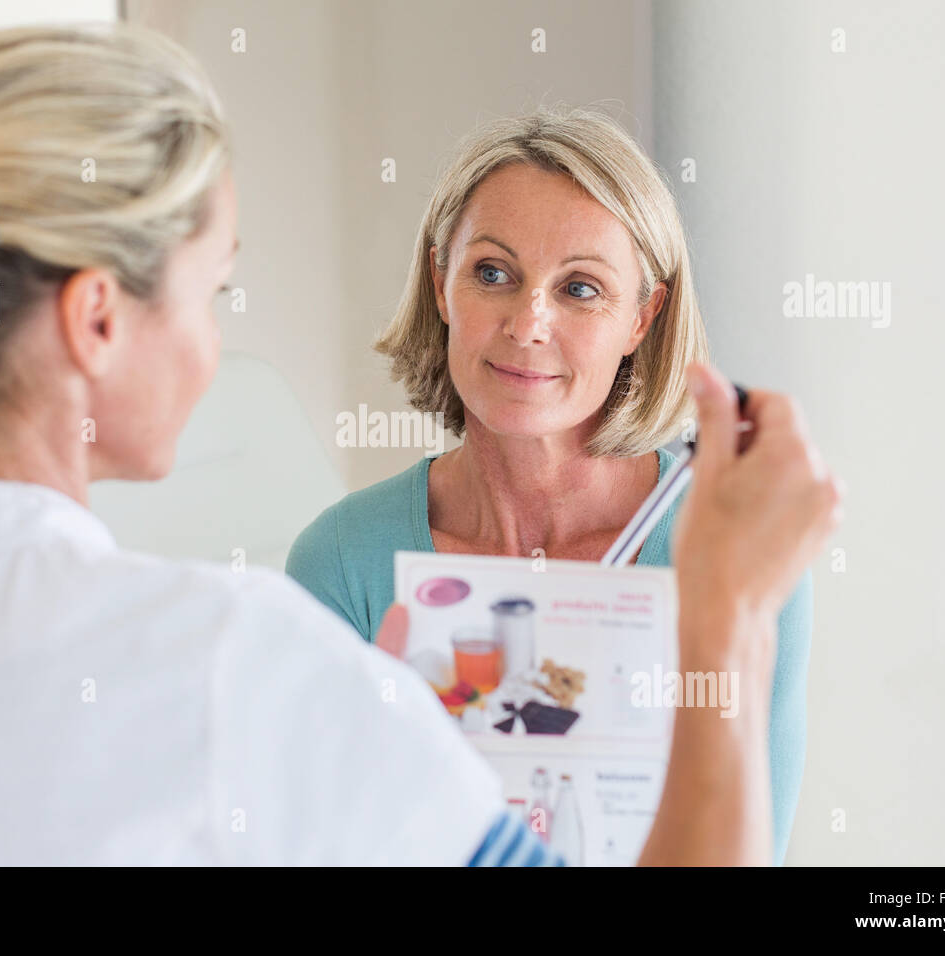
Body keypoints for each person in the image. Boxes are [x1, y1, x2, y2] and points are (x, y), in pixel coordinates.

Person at [0, 24, 841, 866]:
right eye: (209, 291)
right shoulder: (236, 658)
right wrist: (728, 619)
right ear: (98, 320)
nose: (217, 344)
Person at [286, 108, 812, 864]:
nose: (529, 324)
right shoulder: (342, 563)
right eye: (492, 274)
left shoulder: (735, 550)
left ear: (643, 316)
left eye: (581, 289)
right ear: (442, 284)